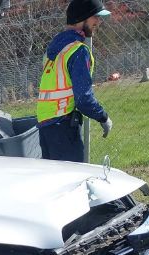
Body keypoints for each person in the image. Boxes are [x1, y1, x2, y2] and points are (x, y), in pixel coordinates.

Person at [36, 0, 114, 162]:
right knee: (72, 180)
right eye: (95, 17)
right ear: (82, 17)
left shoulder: (55, 48)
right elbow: (83, 98)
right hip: (63, 127)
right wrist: (103, 117)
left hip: (46, 126)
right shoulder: (77, 51)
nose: (98, 22)